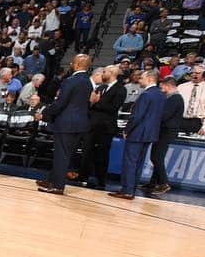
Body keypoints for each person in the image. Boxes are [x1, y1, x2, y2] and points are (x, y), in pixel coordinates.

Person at [38, 54, 92, 195]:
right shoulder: (88, 81)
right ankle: (52, 179)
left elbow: (60, 103)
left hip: (66, 123)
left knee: (61, 155)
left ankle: (57, 185)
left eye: (73, 62)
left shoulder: (70, 81)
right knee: (65, 154)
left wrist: (44, 113)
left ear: (76, 64)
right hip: (80, 124)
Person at [112, 69, 164, 200]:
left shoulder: (146, 95)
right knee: (138, 163)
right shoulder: (160, 94)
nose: (140, 80)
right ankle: (131, 189)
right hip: (150, 134)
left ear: (150, 79)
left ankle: (127, 190)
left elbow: (137, 116)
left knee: (130, 162)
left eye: (142, 78)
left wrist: (126, 130)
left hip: (138, 133)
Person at [77, 65, 125, 190]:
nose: (102, 73)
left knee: (102, 154)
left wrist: (97, 102)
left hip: (106, 128)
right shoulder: (101, 87)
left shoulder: (121, 89)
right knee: (87, 151)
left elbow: (113, 108)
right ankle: (83, 177)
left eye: (104, 71)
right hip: (92, 125)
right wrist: (91, 102)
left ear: (112, 73)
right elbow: (90, 105)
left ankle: (100, 180)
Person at [142, 76, 184, 197]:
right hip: (163, 131)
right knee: (156, 156)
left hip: (167, 131)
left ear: (168, 86)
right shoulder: (172, 98)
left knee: (157, 157)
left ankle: (163, 183)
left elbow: (164, 115)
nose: (161, 90)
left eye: (162, 87)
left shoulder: (175, 99)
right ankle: (152, 183)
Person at [177, 65, 205, 135]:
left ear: (204, 75)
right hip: (180, 120)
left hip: (197, 122)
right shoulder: (181, 87)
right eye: (193, 73)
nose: (194, 75)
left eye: (197, 73)